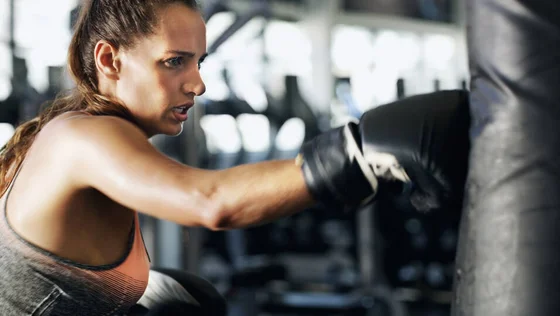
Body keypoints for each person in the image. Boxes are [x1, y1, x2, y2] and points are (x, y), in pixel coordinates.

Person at [0, 0, 470, 315]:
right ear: (109, 60)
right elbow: (211, 201)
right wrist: (357, 155)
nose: (197, 84)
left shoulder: (90, 136)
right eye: (174, 61)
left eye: (198, 63)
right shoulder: (80, 138)